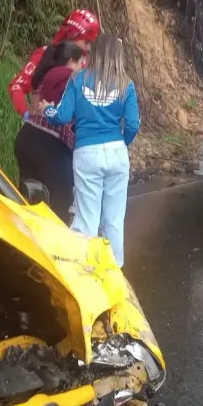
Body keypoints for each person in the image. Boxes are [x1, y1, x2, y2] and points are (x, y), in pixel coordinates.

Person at [41, 35, 140, 268]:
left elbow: (63, 116)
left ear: (94, 54)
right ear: (118, 55)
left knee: (86, 218)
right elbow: (133, 124)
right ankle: (114, 271)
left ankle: (84, 269)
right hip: (116, 152)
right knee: (114, 219)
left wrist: (47, 111)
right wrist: (121, 143)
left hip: (87, 152)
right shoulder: (126, 84)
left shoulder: (77, 79)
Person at [9, 9, 100, 219]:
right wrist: (25, 113)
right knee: (56, 207)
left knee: (32, 201)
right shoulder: (47, 56)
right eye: (85, 42)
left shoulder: (84, 64)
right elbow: (18, 87)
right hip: (55, 144)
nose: (87, 49)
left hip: (42, 140)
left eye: (90, 44)